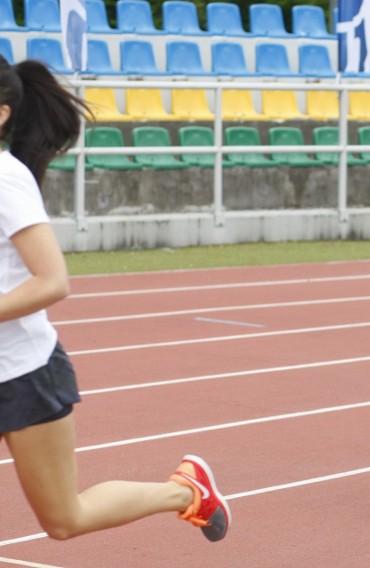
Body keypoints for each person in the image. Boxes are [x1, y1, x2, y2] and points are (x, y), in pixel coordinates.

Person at [0, 56, 230, 542]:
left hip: (21, 373)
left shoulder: (5, 178)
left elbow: (52, 281)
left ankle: (185, 492)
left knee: (64, 520)